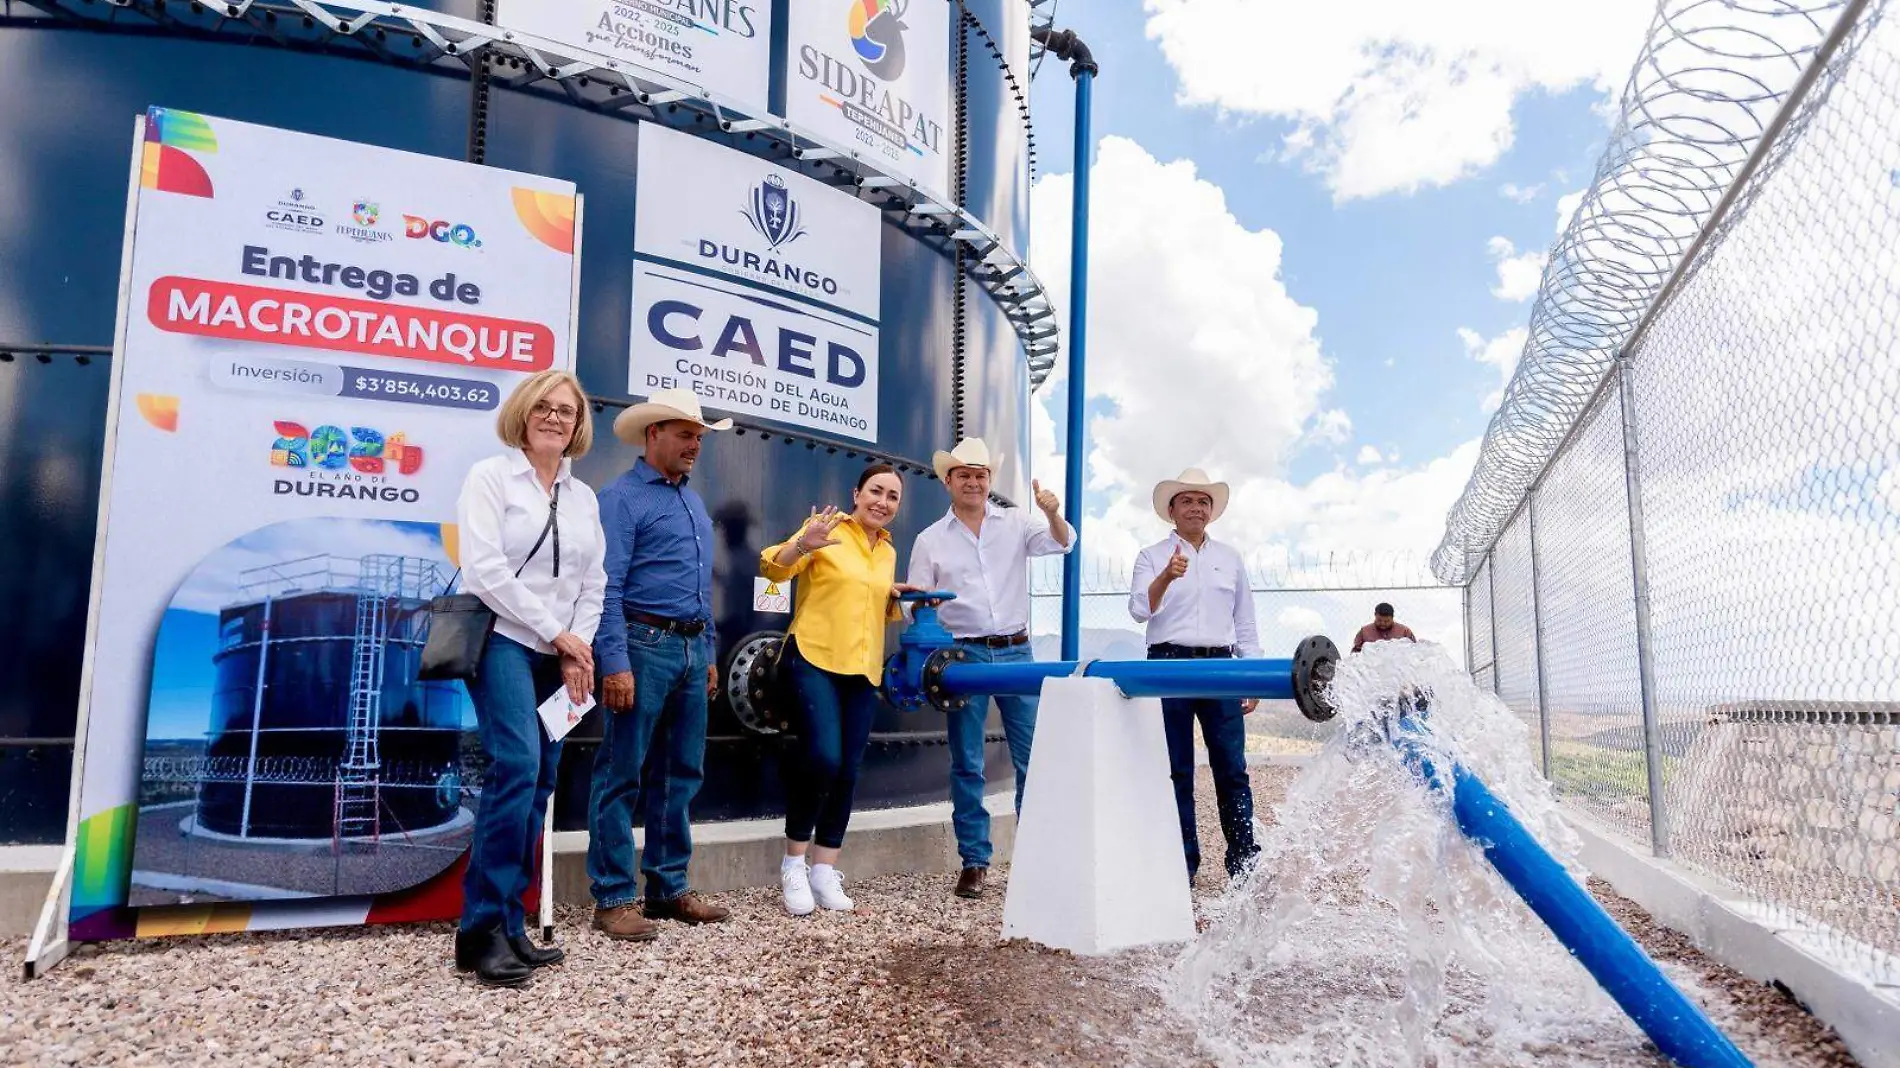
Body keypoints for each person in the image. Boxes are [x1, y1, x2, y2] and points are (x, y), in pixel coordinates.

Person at [453, 369, 607, 987]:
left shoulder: (584, 498)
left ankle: (513, 924)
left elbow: (594, 583)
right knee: (515, 767)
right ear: (523, 412)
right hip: (504, 641)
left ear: (577, 426)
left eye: (565, 411)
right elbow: (484, 569)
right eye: (543, 407)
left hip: (560, 654)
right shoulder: (490, 478)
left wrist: (579, 648)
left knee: (540, 781)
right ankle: (479, 928)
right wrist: (557, 634)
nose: (553, 417)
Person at [588, 388, 734, 941]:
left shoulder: (691, 500)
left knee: (681, 773)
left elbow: (699, 587)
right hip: (642, 644)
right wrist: (615, 660)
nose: (695, 444)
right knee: (621, 770)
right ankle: (613, 897)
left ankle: (668, 889)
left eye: (698, 436)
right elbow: (605, 586)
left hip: (692, 650)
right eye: (685, 434)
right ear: (653, 435)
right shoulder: (621, 498)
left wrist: (710, 651)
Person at [905, 438, 1073, 899]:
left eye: (980, 474)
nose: (974, 482)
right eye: (964, 475)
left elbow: (1064, 542)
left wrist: (1053, 512)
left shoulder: (1018, 522)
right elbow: (916, 605)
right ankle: (975, 862)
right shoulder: (929, 540)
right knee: (968, 763)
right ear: (948, 482)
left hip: (1018, 652)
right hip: (965, 658)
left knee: (1031, 759)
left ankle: (1037, 858)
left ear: (989, 480)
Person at [761, 464, 919, 916]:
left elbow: (867, 605)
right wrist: (800, 545)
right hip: (814, 657)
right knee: (823, 758)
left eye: (892, 496)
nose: (882, 502)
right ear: (856, 492)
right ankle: (793, 862)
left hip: (862, 670)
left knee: (848, 770)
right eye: (875, 491)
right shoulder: (826, 530)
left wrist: (891, 595)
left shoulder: (886, 551)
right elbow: (772, 568)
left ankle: (824, 870)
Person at [1128, 467, 1262, 884]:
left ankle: (1244, 863)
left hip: (1221, 667)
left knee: (1232, 768)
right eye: (1187, 500)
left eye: (1203, 501)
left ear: (1211, 512)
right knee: (1175, 769)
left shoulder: (1230, 559)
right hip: (1167, 666)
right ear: (1172, 511)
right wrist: (1167, 576)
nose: (1196, 507)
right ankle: (1181, 864)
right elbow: (1138, 610)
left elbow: (1245, 622)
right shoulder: (1151, 556)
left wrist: (1251, 675)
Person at [1352, 602, 1417, 652]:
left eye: (1386, 621)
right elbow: (1355, 653)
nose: (1382, 623)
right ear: (1375, 615)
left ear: (1392, 618)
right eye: (1379, 620)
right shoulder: (1364, 632)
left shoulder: (1404, 631)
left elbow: (1415, 650)